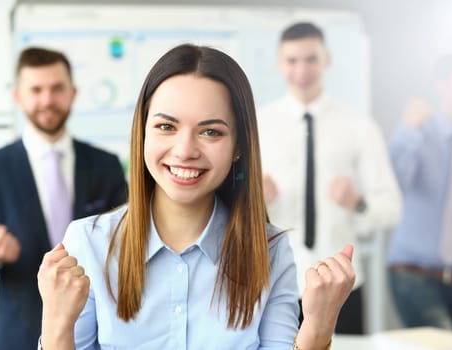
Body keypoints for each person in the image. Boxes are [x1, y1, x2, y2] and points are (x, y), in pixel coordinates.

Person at [37, 43, 355, 350]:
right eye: (166, 126)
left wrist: (317, 328)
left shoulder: (269, 252)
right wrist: (55, 323)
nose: (185, 150)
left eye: (211, 132)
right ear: (143, 132)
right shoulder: (88, 243)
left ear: (239, 147)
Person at [0, 47, 128, 350]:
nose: (47, 100)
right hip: (19, 332)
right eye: (36, 90)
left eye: (57, 89)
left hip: (98, 330)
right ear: (18, 97)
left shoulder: (106, 165)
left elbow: (127, 243)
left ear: (73, 93)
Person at [257, 22, 401, 334]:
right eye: (292, 61)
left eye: (312, 59)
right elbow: (229, 207)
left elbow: (391, 208)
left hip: (343, 283)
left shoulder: (359, 126)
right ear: (279, 64)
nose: (302, 70)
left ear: (327, 60)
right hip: (276, 283)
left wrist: (358, 203)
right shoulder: (258, 125)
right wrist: (254, 196)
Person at [388, 53, 452, 332]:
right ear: (440, 85)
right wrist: (408, 129)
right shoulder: (419, 132)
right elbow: (393, 185)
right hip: (415, 274)